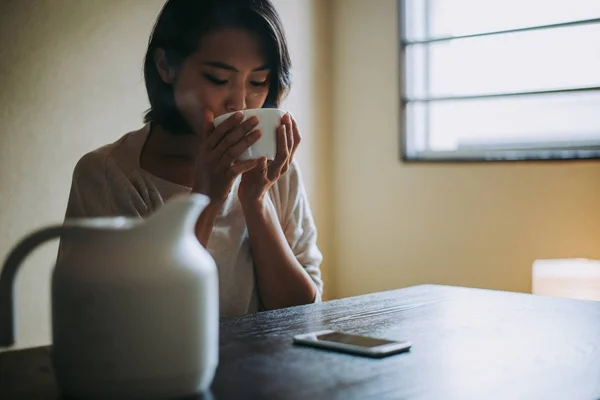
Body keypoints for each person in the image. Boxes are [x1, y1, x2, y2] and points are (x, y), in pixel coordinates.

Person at [61, 0, 323, 317]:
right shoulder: (111, 174)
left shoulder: (274, 168)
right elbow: (135, 322)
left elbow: (302, 311)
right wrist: (207, 197)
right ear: (165, 67)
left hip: (266, 365)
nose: (239, 103)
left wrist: (256, 199)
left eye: (257, 82)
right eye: (217, 78)